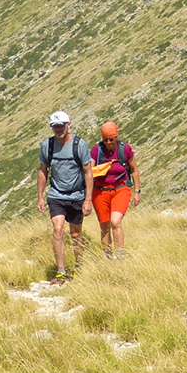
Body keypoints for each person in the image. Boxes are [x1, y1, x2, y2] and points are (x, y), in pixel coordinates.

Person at [37, 110, 92, 283]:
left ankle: (78, 267)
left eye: (61, 126)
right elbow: (43, 171)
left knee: (76, 234)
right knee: (58, 229)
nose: (58, 129)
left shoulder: (79, 145)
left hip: (76, 195)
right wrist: (40, 197)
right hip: (56, 194)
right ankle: (61, 270)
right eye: (55, 127)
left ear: (69, 125)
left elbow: (88, 172)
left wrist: (88, 199)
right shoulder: (47, 146)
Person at [91, 121, 140, 257]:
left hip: (121, 188)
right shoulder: (97, 150)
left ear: (116, 137)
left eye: (111, 139)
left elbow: (134, 170)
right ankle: (107, 255)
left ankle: (119, 254)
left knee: (115, 221)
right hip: (100, 191)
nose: (108, 142)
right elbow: (90, 172)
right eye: (105, 140)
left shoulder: (125, 149)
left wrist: (137, 191)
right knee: (104, 225)